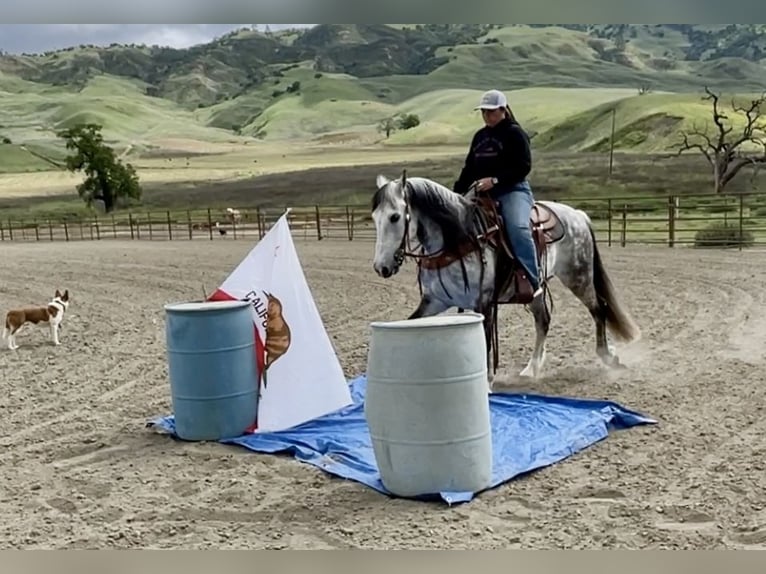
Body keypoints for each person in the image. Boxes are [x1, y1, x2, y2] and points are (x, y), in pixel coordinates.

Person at [453, 88, 542, 300]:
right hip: (481, 193)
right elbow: (469, 168)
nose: (486, 115)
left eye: (491, 111)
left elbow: (523, 166)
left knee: (518, 228)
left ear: (503, 110)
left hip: (513, 190)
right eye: (484, 112)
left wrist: (495, 180)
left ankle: (533, 279)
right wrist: (455, 193)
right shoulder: (480, 136)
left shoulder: (515, 133)